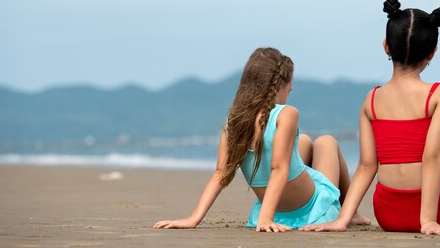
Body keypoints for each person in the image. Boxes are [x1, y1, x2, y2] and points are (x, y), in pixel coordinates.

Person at [303, 0, 440, 235]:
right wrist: (428, 220)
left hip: (388, 215)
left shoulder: (372, 99)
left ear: (386, 46)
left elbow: (367, 165)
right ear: (432, 53)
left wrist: (342, 219)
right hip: (438, 212)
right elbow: (431, 157)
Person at [154, 47, 370, 232]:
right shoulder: (287, 113)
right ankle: (352, 213)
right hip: (312, 207)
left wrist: (194, 219)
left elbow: (220, 173)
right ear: (279, 86)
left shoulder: (233, 120)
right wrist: (266, 220)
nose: (288, 95)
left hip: (275, 209)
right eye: (289, 90)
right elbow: (279, 169)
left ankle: (352, 213)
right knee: (326, 142)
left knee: (302, 141)